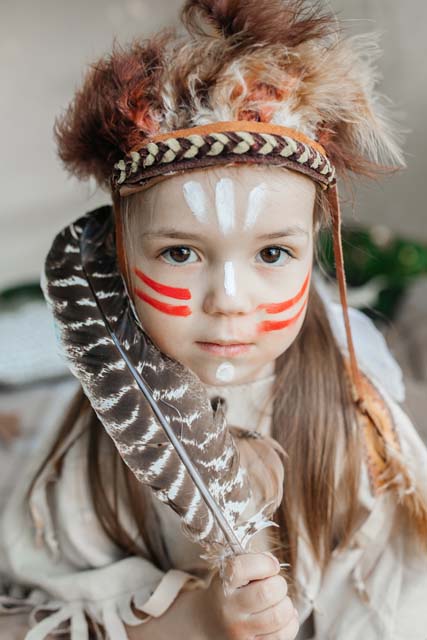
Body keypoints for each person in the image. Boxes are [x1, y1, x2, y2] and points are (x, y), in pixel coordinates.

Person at [1, 1, 427, 639]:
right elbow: (41, 616)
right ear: (118, 258)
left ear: (314, 252)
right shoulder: (91, 464)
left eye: (272, 254)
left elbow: (395, 600)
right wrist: (199, 619)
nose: (229, 299)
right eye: (180, 253)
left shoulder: (358, 432)